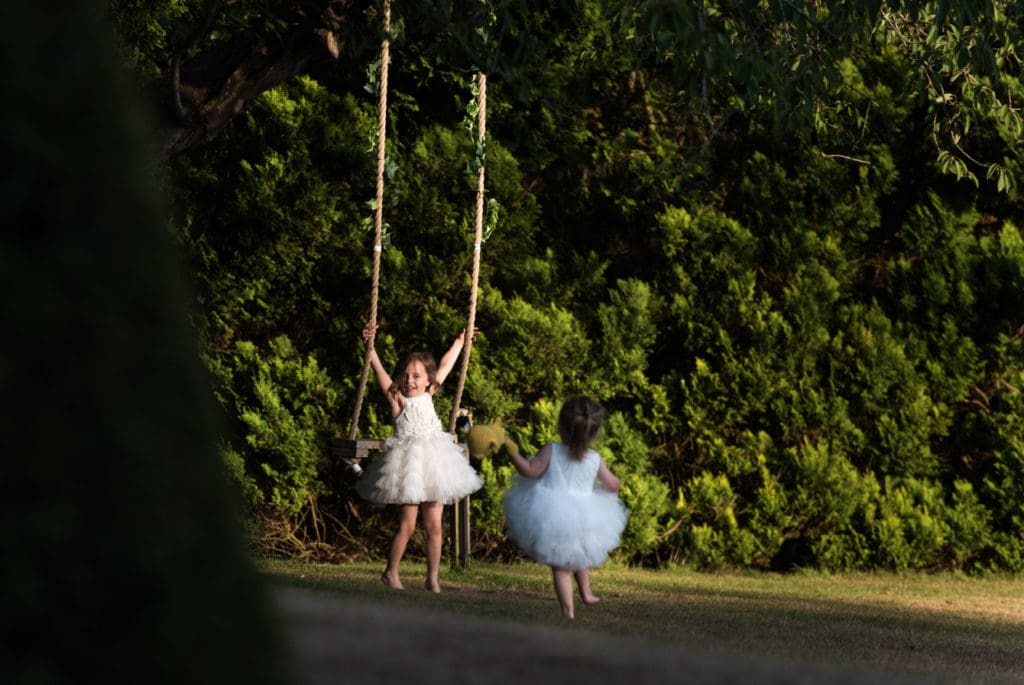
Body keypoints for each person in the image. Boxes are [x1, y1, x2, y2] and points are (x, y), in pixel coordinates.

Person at [356, 323, 484, 593]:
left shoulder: (429, 395)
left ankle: (433, 578)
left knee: (435, 525)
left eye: (416, 376)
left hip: (436, 465)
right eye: (406, 375)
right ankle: (391, 573)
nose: (410, 380)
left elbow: (447, 365)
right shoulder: (398, 400)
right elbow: (378, 371)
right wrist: (370, 345)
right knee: (408, 525)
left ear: (428, 380)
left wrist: (461, 341)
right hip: (408, 468)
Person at [502, 396, 628, 619]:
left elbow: (530, 471)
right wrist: (608, 487)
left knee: (561, 567)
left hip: (554, 516)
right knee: (579, 556)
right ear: (594, 432)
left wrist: (512, 451)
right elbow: (613, 484)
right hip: (586, 516)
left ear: (561, 426)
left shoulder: (552, 450)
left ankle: (568, 611)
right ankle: (586, 593)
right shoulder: (595, 459)